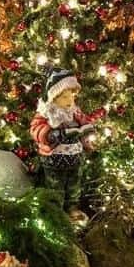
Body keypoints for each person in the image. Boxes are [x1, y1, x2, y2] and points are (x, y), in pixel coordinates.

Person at [29, 69, 96, 224]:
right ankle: (56, 210)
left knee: (74, 185)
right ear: (54, 97)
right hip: (54, 159)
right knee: (55, 186)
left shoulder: (75, 112)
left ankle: (72, 207)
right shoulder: (47, 113)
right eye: (65, 97)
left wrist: (87, 137)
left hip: (75, 157)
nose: (70, 100)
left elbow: (84, 125)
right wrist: (50, 135)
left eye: (72, 95)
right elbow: (35, 129)